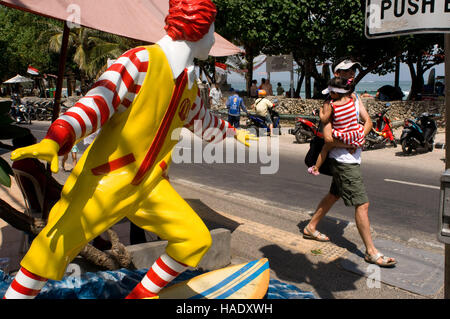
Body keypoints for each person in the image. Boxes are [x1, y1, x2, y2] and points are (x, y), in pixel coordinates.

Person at [4, 0, 255, 300]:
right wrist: (58, 137)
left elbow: (202, 121)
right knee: (51, 248)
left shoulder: (188, 83)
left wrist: (232, 131)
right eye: (212, 31)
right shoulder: (140, 62)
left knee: (194, 239)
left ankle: (140, 296)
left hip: (150, 186)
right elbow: (98, 102)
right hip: (104, 183)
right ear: (195, 28)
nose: (214, 40)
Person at [303, 57, 397, 268]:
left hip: (352, 155)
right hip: (342, 160)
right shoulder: (330, 102)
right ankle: (371, 252)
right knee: (362, 204)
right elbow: (328, 138)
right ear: (337, 75)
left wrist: (358, 138)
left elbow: (368, 121)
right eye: (347, 71)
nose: (352, 74)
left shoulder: (354, 98)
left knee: (334, 194)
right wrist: (348, 145)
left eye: (353, 71)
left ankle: (311, 227)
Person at [307, 77, 364, 176]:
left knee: (324, 149)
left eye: (331, 93)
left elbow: (324, 119)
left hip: (341, 134)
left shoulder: (333, 105)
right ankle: (353, 146)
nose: (329, 95)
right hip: (354, 134)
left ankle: (316, 168)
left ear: (336, 93)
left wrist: (320, 111)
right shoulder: (352, 99)